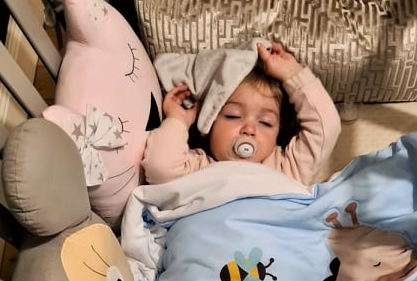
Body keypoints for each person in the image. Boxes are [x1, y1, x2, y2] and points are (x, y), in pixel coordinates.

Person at [142, 42, 341, 186]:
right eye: (233, 116)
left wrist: (292, 74)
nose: (249, 129)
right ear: (210, 124)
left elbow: (326, 127)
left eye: (265, 122)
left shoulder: (287, 169)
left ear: (278, 133)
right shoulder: (196, 169)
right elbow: (160, 167)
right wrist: (178, 120)